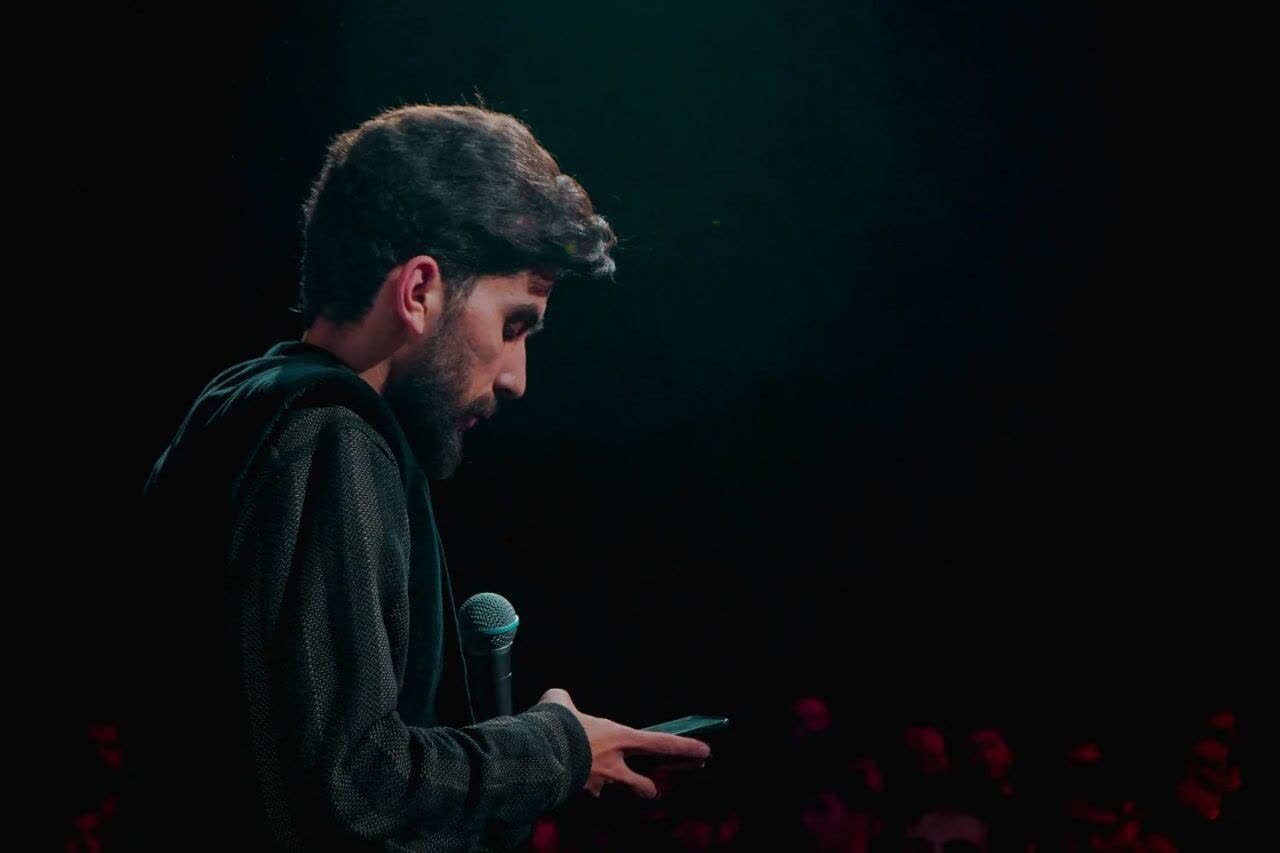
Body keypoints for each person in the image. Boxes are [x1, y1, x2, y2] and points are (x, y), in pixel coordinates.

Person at [126, 104, 709, 851]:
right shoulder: (330, 434)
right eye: (513, 325)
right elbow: (352, 788)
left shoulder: (240, 412)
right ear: (419, 291)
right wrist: (554, 749)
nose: (517, 378)